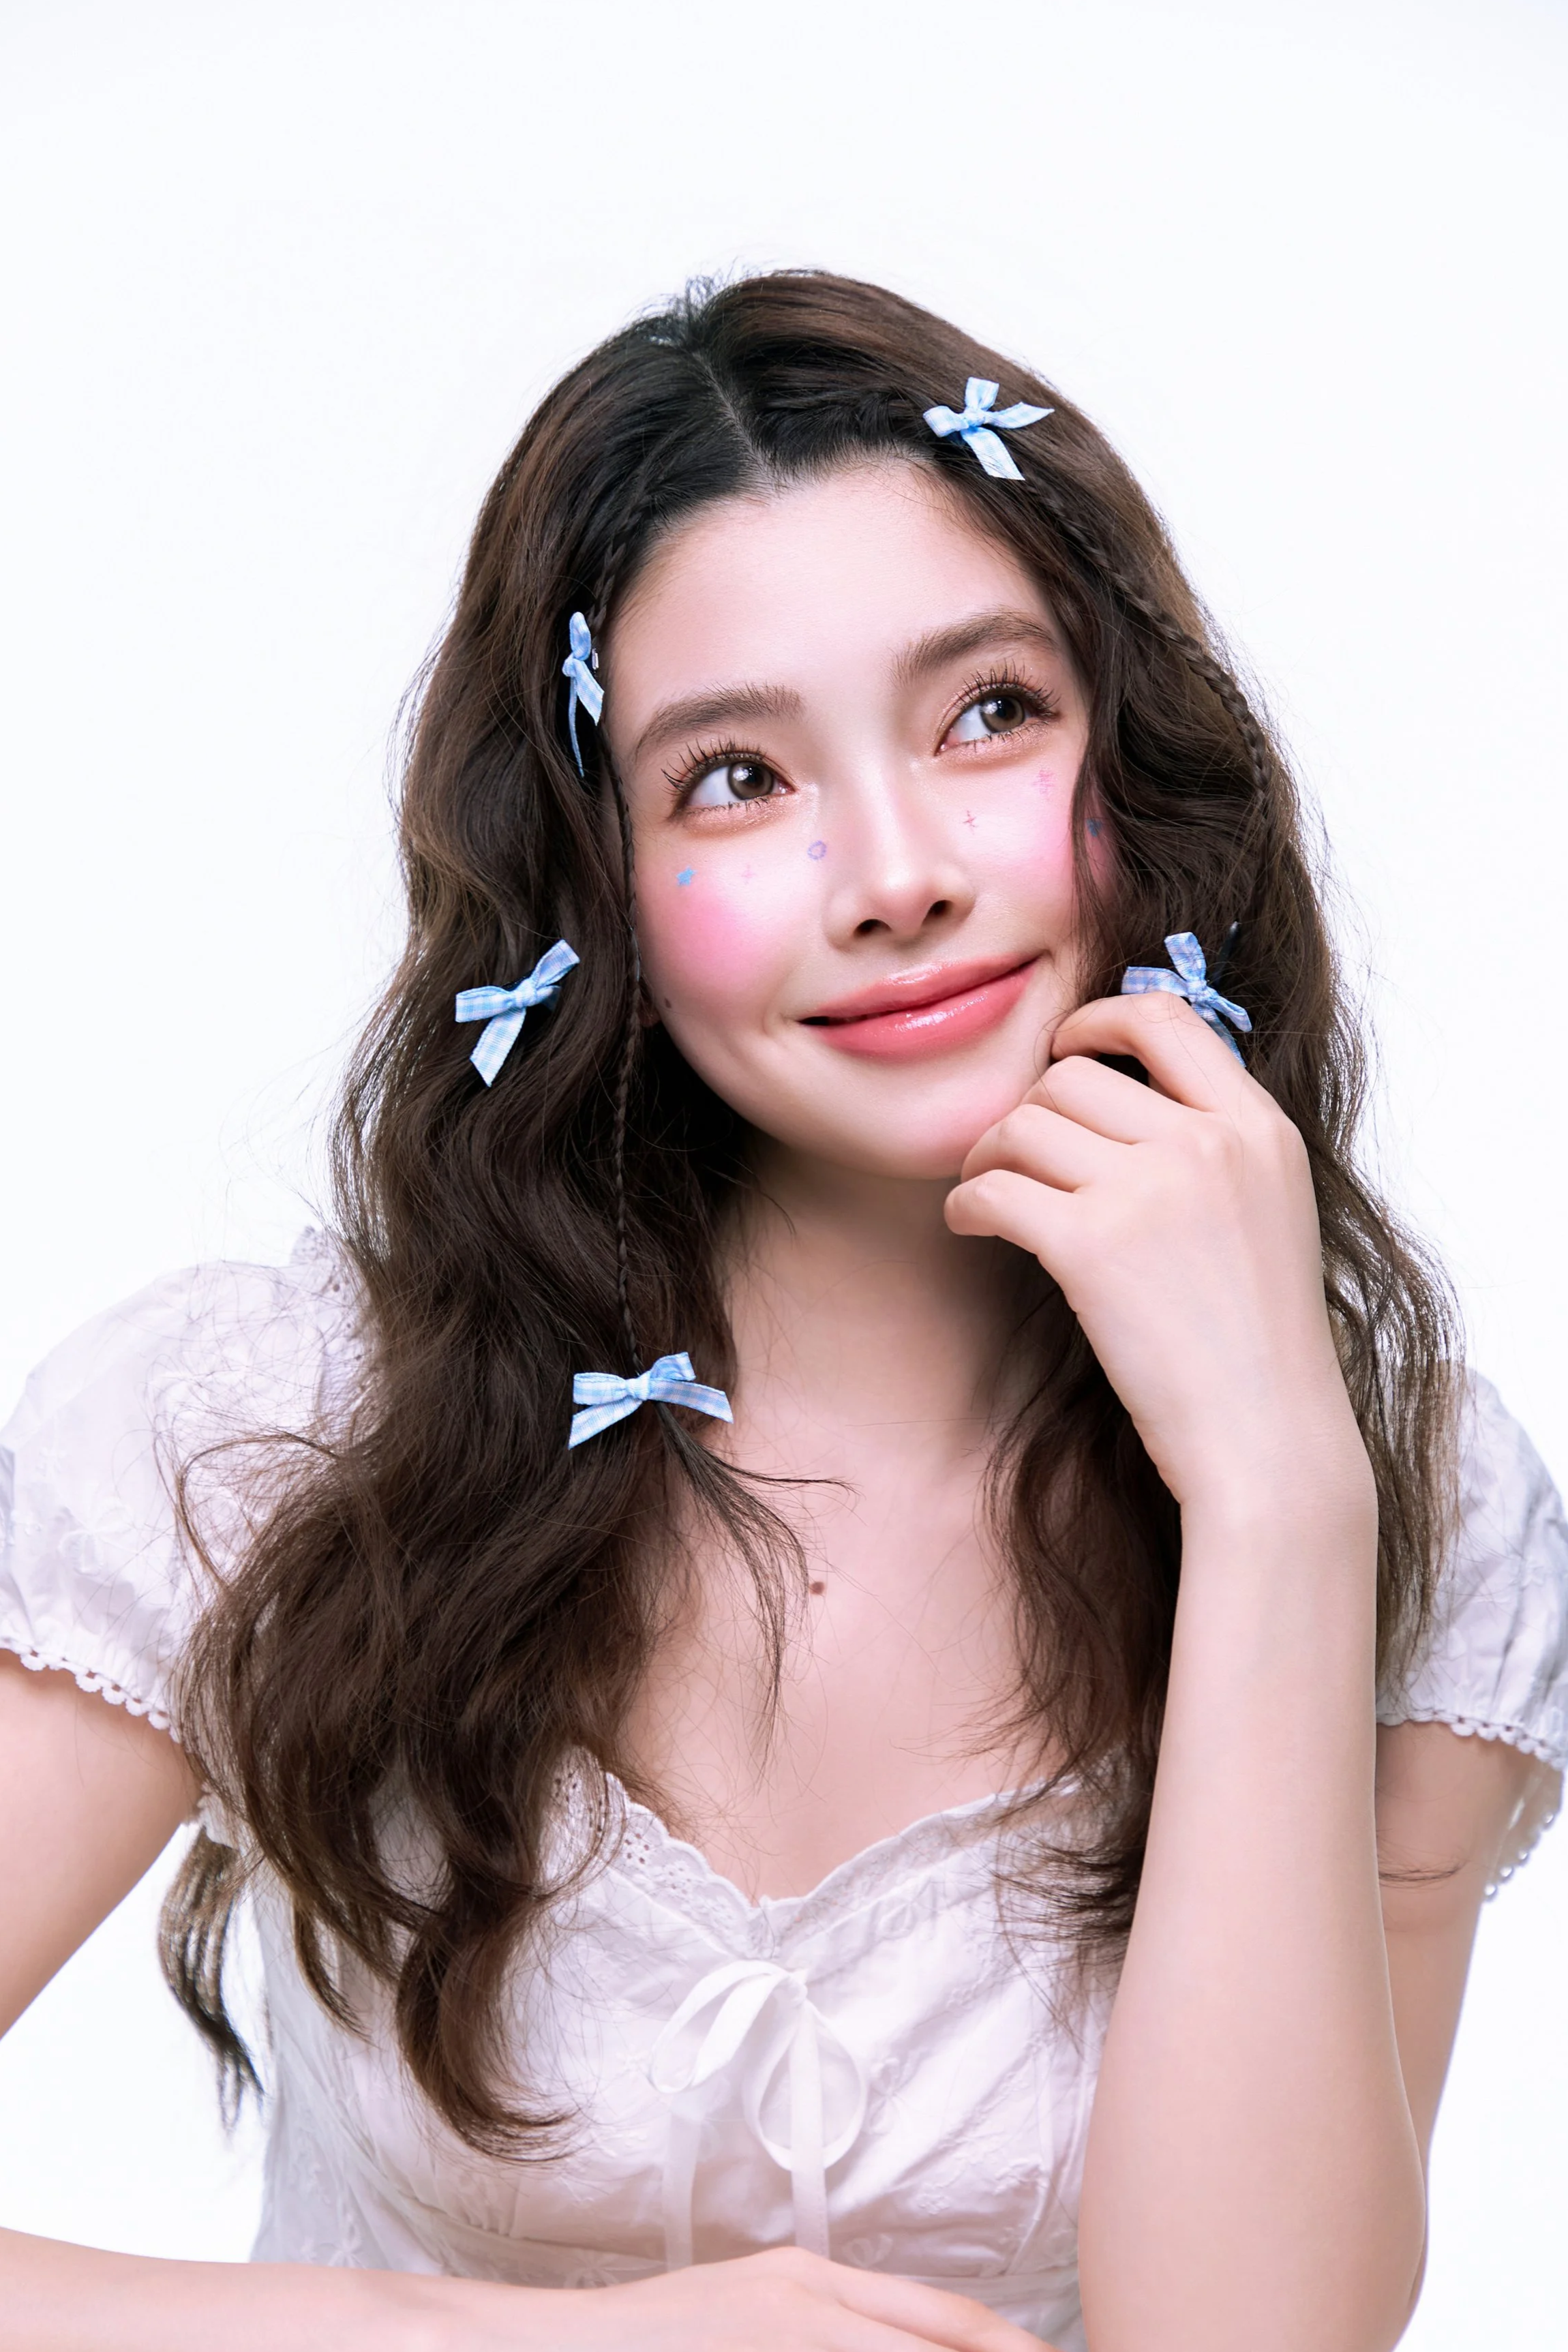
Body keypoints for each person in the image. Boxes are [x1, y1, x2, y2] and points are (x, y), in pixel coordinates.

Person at [2, 272, 1565, 2352]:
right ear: (600, 895)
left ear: (1141, 759)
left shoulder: (1400, 1493)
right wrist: (527, 2346)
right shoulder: (266, 1422)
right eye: (734, 778)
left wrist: (1276, 1491)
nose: (896, 869)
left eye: (989, 711)